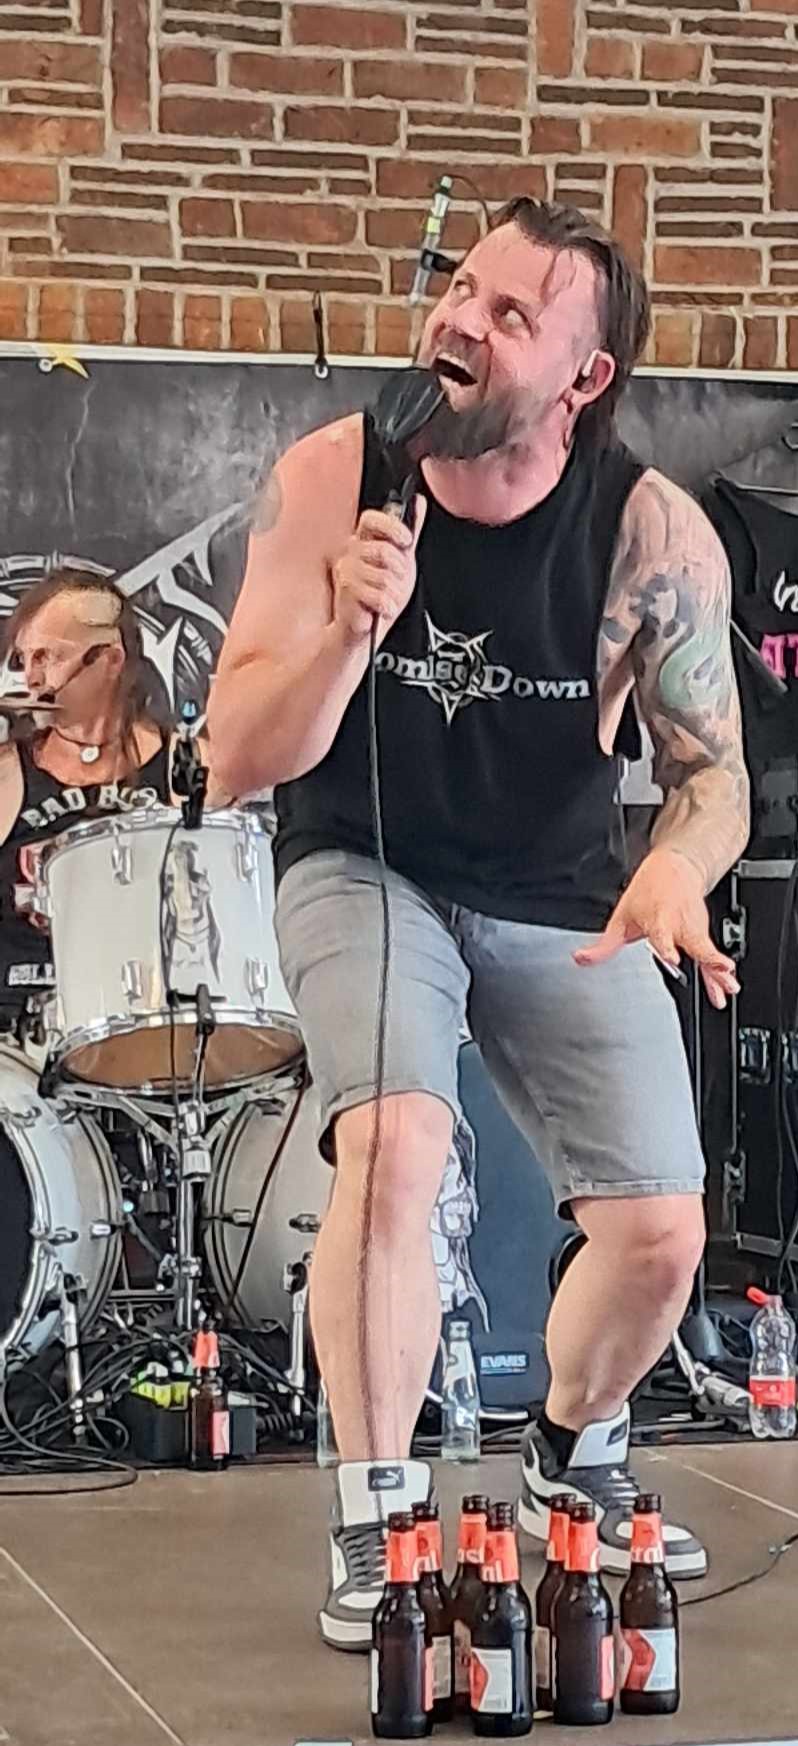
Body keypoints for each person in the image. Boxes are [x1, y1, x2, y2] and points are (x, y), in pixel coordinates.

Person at [209, 198, 750, 1649]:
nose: (459, 319)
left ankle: (568, 1446)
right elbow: (236, 757)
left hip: (558, 889)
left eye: (512, 314)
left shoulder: (649, 531)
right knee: (397, 1140)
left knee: (661, 1232)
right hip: (363, 859)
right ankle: (380, 1513)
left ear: (585, 377)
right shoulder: (336, 477)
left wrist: (677, 869)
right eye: (460, 287)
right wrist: (345, 629)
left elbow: (713, 780)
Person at [0, 567, 223, 1041]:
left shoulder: (189, 764)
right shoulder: (6, 770)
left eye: (48, 657)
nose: (31, 677)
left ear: (109, 659)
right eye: (23, 659)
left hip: (159, 1026)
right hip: (20, 1037)